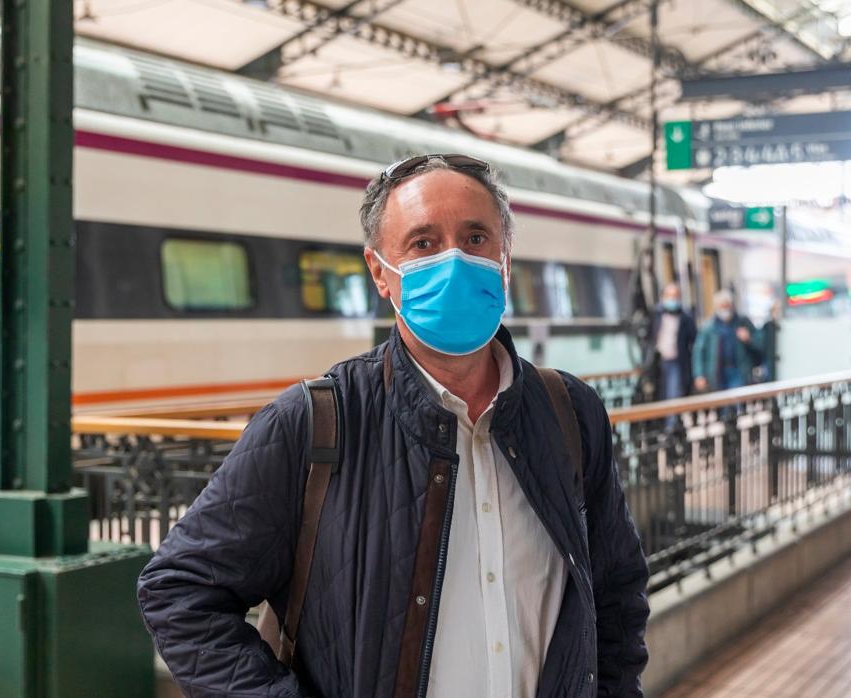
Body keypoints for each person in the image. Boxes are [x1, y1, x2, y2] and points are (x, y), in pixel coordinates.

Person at [137, 154, 650, 697]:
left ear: (504, 258)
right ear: (380, 272)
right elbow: (179, 591)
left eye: (476, 238)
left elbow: (616, 591)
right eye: (424, 243)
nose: (454, 259)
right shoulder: (313, 422)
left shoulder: (570, 412)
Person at [692, 290, 762, 392]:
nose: (725, 309)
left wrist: (748, 338)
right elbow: (698, 352)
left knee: (738, 400)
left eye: (727, 306)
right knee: (723, 404)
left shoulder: (742, 322)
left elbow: (760, 342)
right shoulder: (709, 327)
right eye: (722, 306)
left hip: (739, 370)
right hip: (717, 373)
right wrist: (699, 375)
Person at [652, 283, 698, 404]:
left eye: (675, 296)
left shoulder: (686, 318)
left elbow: (694, 340)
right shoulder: (656, 315)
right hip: (658, 362)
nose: (672, 299)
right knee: (659, 394)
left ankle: (671, 422)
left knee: (673, 393)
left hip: (677, 361)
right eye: (669, 295)